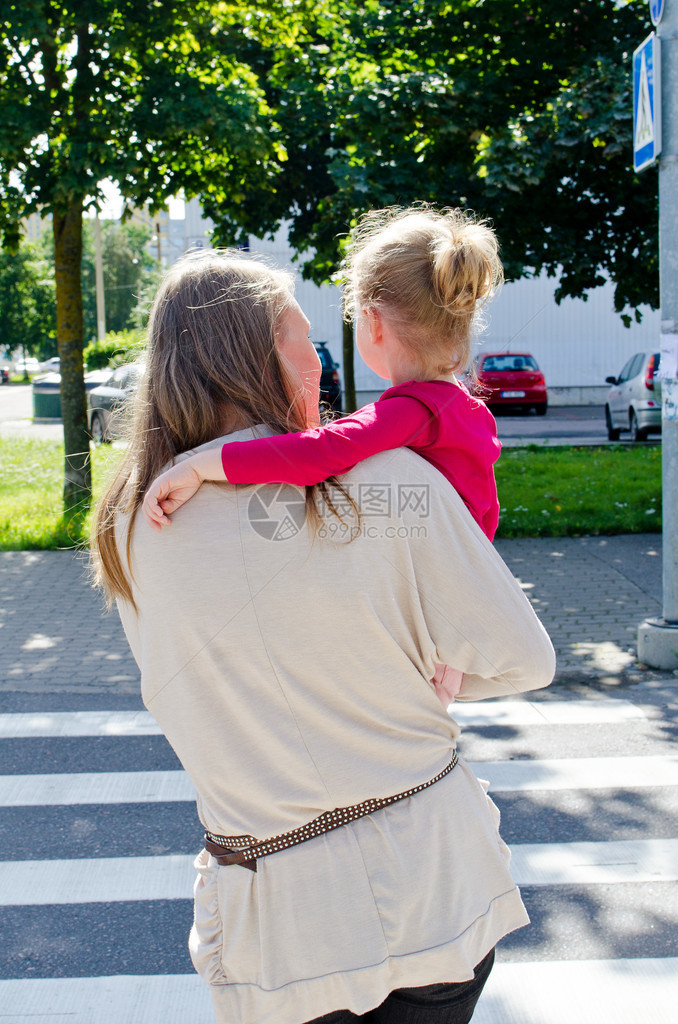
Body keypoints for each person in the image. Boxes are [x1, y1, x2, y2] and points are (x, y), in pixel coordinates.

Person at [92, 247, 555, 1024]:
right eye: (303, 335)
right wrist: (438, 673)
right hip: (431, 887)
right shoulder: (395, 481)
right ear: (264, 356)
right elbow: (524, 660)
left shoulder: (133, 522)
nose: (321, 362)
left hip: (270, 918)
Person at [141, 207, 503, 706]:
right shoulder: (470, 412)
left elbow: (320, 453)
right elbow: (485, 510)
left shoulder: (409, 411)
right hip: (462, 582)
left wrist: (205, 464)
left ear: (372, 324)